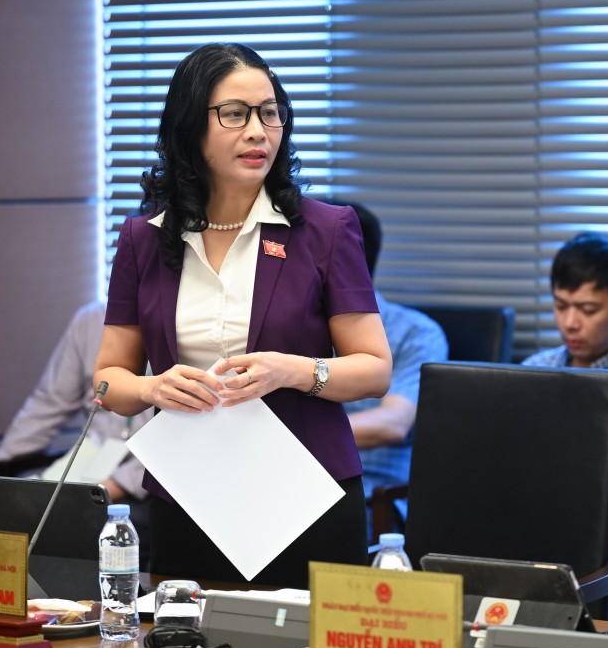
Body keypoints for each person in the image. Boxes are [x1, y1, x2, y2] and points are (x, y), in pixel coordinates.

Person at [94, 43, 392, 589]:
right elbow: (107, 381)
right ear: (190, 125)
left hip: (306, 496)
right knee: (186, 638)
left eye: (270, 113)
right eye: (235, 114)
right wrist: (152, 387)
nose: (258, 132)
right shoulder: (144, 238)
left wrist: (292, 370)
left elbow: (374, 368)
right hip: (190, 494)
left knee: (307, 642)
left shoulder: (326, 231)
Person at [0, 301, 153, 530]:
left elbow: (174, 438)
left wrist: (104, 489)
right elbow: (47, 405)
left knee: (77, 528)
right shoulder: (91, 320)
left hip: (147, 482)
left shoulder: (178, 324)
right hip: (91, 464)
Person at [522, 232, 608, 534]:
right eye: (561, 306)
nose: (570, 323)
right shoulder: (535, 369)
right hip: (530, 525)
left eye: (588, 310)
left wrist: (568, 452)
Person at [324, 200, 449, 503]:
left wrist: (299, 437)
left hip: (372, 491)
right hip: (290, 479)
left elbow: (392, 424)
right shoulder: (287, 324)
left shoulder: (415, 333)